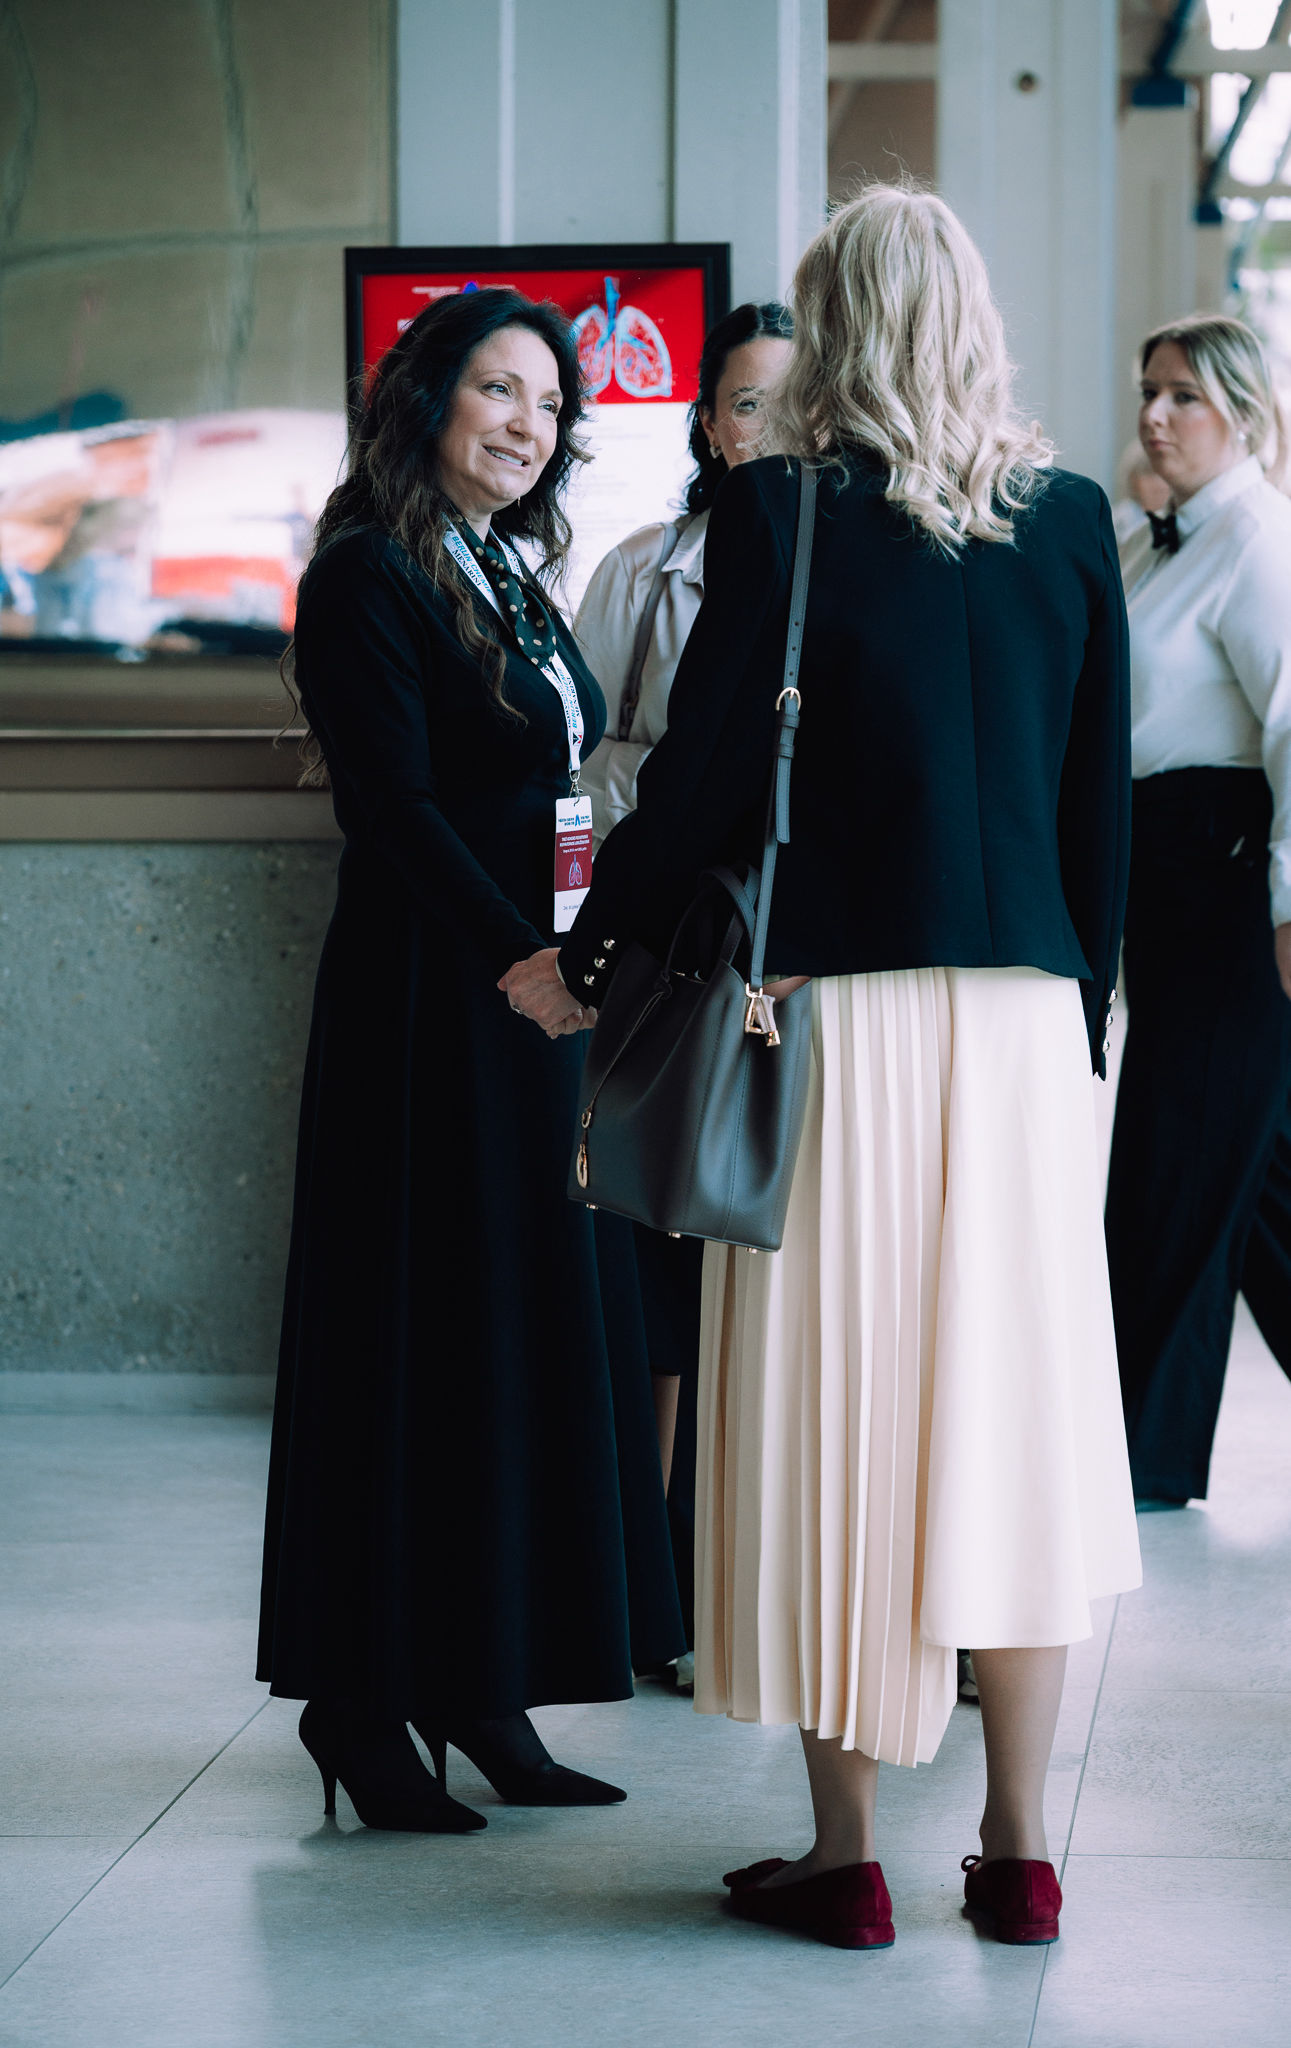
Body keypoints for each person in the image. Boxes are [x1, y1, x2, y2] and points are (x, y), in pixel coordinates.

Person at [504, 185, 1141, 1950]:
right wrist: (1079, 1016)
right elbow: (1095, 798)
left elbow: (699, 781)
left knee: (835, 1417)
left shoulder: (780, 513)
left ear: (834, 325)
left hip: (834, 1021)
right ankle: (1015, 1848)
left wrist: (589, 959)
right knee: (1010, 1419)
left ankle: (843, 1854)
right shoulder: (1068, 518)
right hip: (1019, 1028)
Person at [257, 287, 682, 1835]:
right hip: (429, 1009)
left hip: (528, 998)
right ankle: (360, 1702)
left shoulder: (502, 565)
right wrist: (522, 958)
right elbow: (394, 809)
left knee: (506, 1332)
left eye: (551, 404)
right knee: (414, 1333)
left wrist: (573, 957)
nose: (527, 424)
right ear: (426, 396)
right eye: (500, 390)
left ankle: (479, 1679)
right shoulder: (366, 572)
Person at [573, 303, 794, 1672]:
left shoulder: (842, 567)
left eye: (791, 404)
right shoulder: (642, 570)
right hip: (666, 940)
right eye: (745, 403)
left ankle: (749, 1567)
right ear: (707, 422)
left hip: (789, 948)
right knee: (660, 1245)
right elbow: (582, 757)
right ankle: (651, 1583)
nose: (766, 429)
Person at [1106, 314, 1291, 1510]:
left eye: (1181, 395)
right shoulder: (1152, 541)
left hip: (1229, 886)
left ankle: (1137, 1452)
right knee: (1251, 1167)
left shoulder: (1258, 542)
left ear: (1243, 411)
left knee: (1175, 1154)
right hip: (1168, 880)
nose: (1154, 414)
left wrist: (1289, 905)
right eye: (1148, 390)